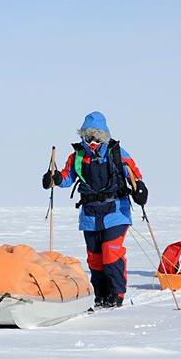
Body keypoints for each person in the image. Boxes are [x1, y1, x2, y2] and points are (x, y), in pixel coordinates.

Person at [43, 112, 148, 308]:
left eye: (96, 137)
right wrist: (55, 178)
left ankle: (117, 294)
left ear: (104, 136)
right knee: (95, 257)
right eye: (88, 137)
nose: (92, 141)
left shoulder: (117, 153)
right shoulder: (77, 156)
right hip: (90, 214)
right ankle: (100, 294)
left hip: (116, 211)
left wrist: (139, 188)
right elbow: (67, 178)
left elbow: (134, 174)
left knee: (111, 253)